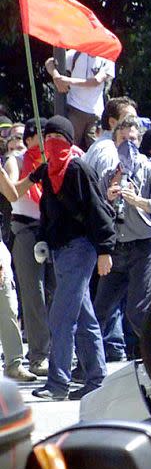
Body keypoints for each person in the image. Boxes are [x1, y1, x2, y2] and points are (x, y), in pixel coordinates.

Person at [14, 116, 116, 400]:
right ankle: (96, 379)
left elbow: (99, 210)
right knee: (84, 319)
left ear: (69, 141)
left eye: (58, 138)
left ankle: (58, 384)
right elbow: (46, 210)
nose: (52, 143)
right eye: (48, 138)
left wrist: (105, 249)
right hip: (60, 251)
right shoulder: (48, 171)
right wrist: (44, 240)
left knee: (60, 318)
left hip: (81, 248)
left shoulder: (78, 168)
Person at [93, 117, 151, 359]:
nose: (128, 144)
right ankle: (88, 366)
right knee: (99, 312)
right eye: (123, 139)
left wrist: (139, 201)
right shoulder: (108, 173)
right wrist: (107, 198)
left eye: (133, 139)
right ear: (115, 142)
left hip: (144, 247)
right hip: (116, 249)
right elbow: (95, 214)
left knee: (139, 311)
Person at [7, 119, 50, 376]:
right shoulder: (17, 160)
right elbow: (12, 191)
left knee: (56, 295)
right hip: (25, 230)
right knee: (34, 296)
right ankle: (38, 356)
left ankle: (56, 351)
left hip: (51, 229)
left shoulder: (55, 158)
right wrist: (34, 176)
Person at [45, 53, 115, 151]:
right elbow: (50, 62)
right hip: (74, 110)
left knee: (95, 149)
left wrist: (67, 81)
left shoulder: (107, 59)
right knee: (69, 147)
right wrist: (56, 77)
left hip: (95, 115)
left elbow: (96, 81)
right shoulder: (75, 54)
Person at [82, 97, 138, 180]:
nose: (134, 122)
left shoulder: (97, 145)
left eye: (135, 118)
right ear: (112, 122)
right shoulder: (110, 152)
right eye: (129, 118)